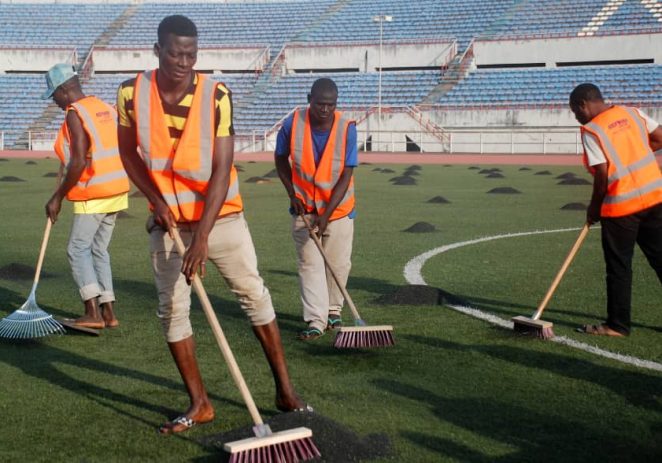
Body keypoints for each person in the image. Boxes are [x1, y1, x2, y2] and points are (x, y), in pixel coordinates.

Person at [116, 15, 307, 434]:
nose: (184, 62)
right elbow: (128, 153)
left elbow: (222, 168)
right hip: (167, 225)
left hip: (220, 220)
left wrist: (201, 237)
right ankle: (199, 403)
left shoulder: (216, 94)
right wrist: (155, 201)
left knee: (254, 296)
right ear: (157, 50)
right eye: (175, 53)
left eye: (191, 54)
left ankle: (285, 392)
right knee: (172, 311)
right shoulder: (130, 93)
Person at [569, 83, 662, 337]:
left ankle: (617, 325)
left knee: (619, 267)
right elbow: (660, 138)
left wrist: (593, 209)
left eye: (575, 112)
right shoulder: (632, 113)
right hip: (655, 198)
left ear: (583, 104)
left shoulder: (592, 130)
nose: (576, 117)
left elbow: (601, 175)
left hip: (621, 208)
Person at [43, 63, 129, 330]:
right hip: (117, 190)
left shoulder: (75, 113)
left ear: (64, 89)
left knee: (77, 249)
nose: (54, 101)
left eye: (53, 95)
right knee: (99, 250)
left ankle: (91, 312)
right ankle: (109, 312)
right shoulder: (104, 107)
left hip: (94, 192)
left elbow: (78, 162)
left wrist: (58, 196)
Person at [274, 78, 358, 341]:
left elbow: (346, 173)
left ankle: (334, 311)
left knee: (338, 264)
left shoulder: (347, 128)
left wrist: (326, 215)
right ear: (309, 98)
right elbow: (279, 159)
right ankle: (315, 320)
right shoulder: (292, 124)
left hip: (339, 209)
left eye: (330, 105)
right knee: (309, 265)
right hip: (304, 210)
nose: (325, 109)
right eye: (320, 103)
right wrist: (292, 194)